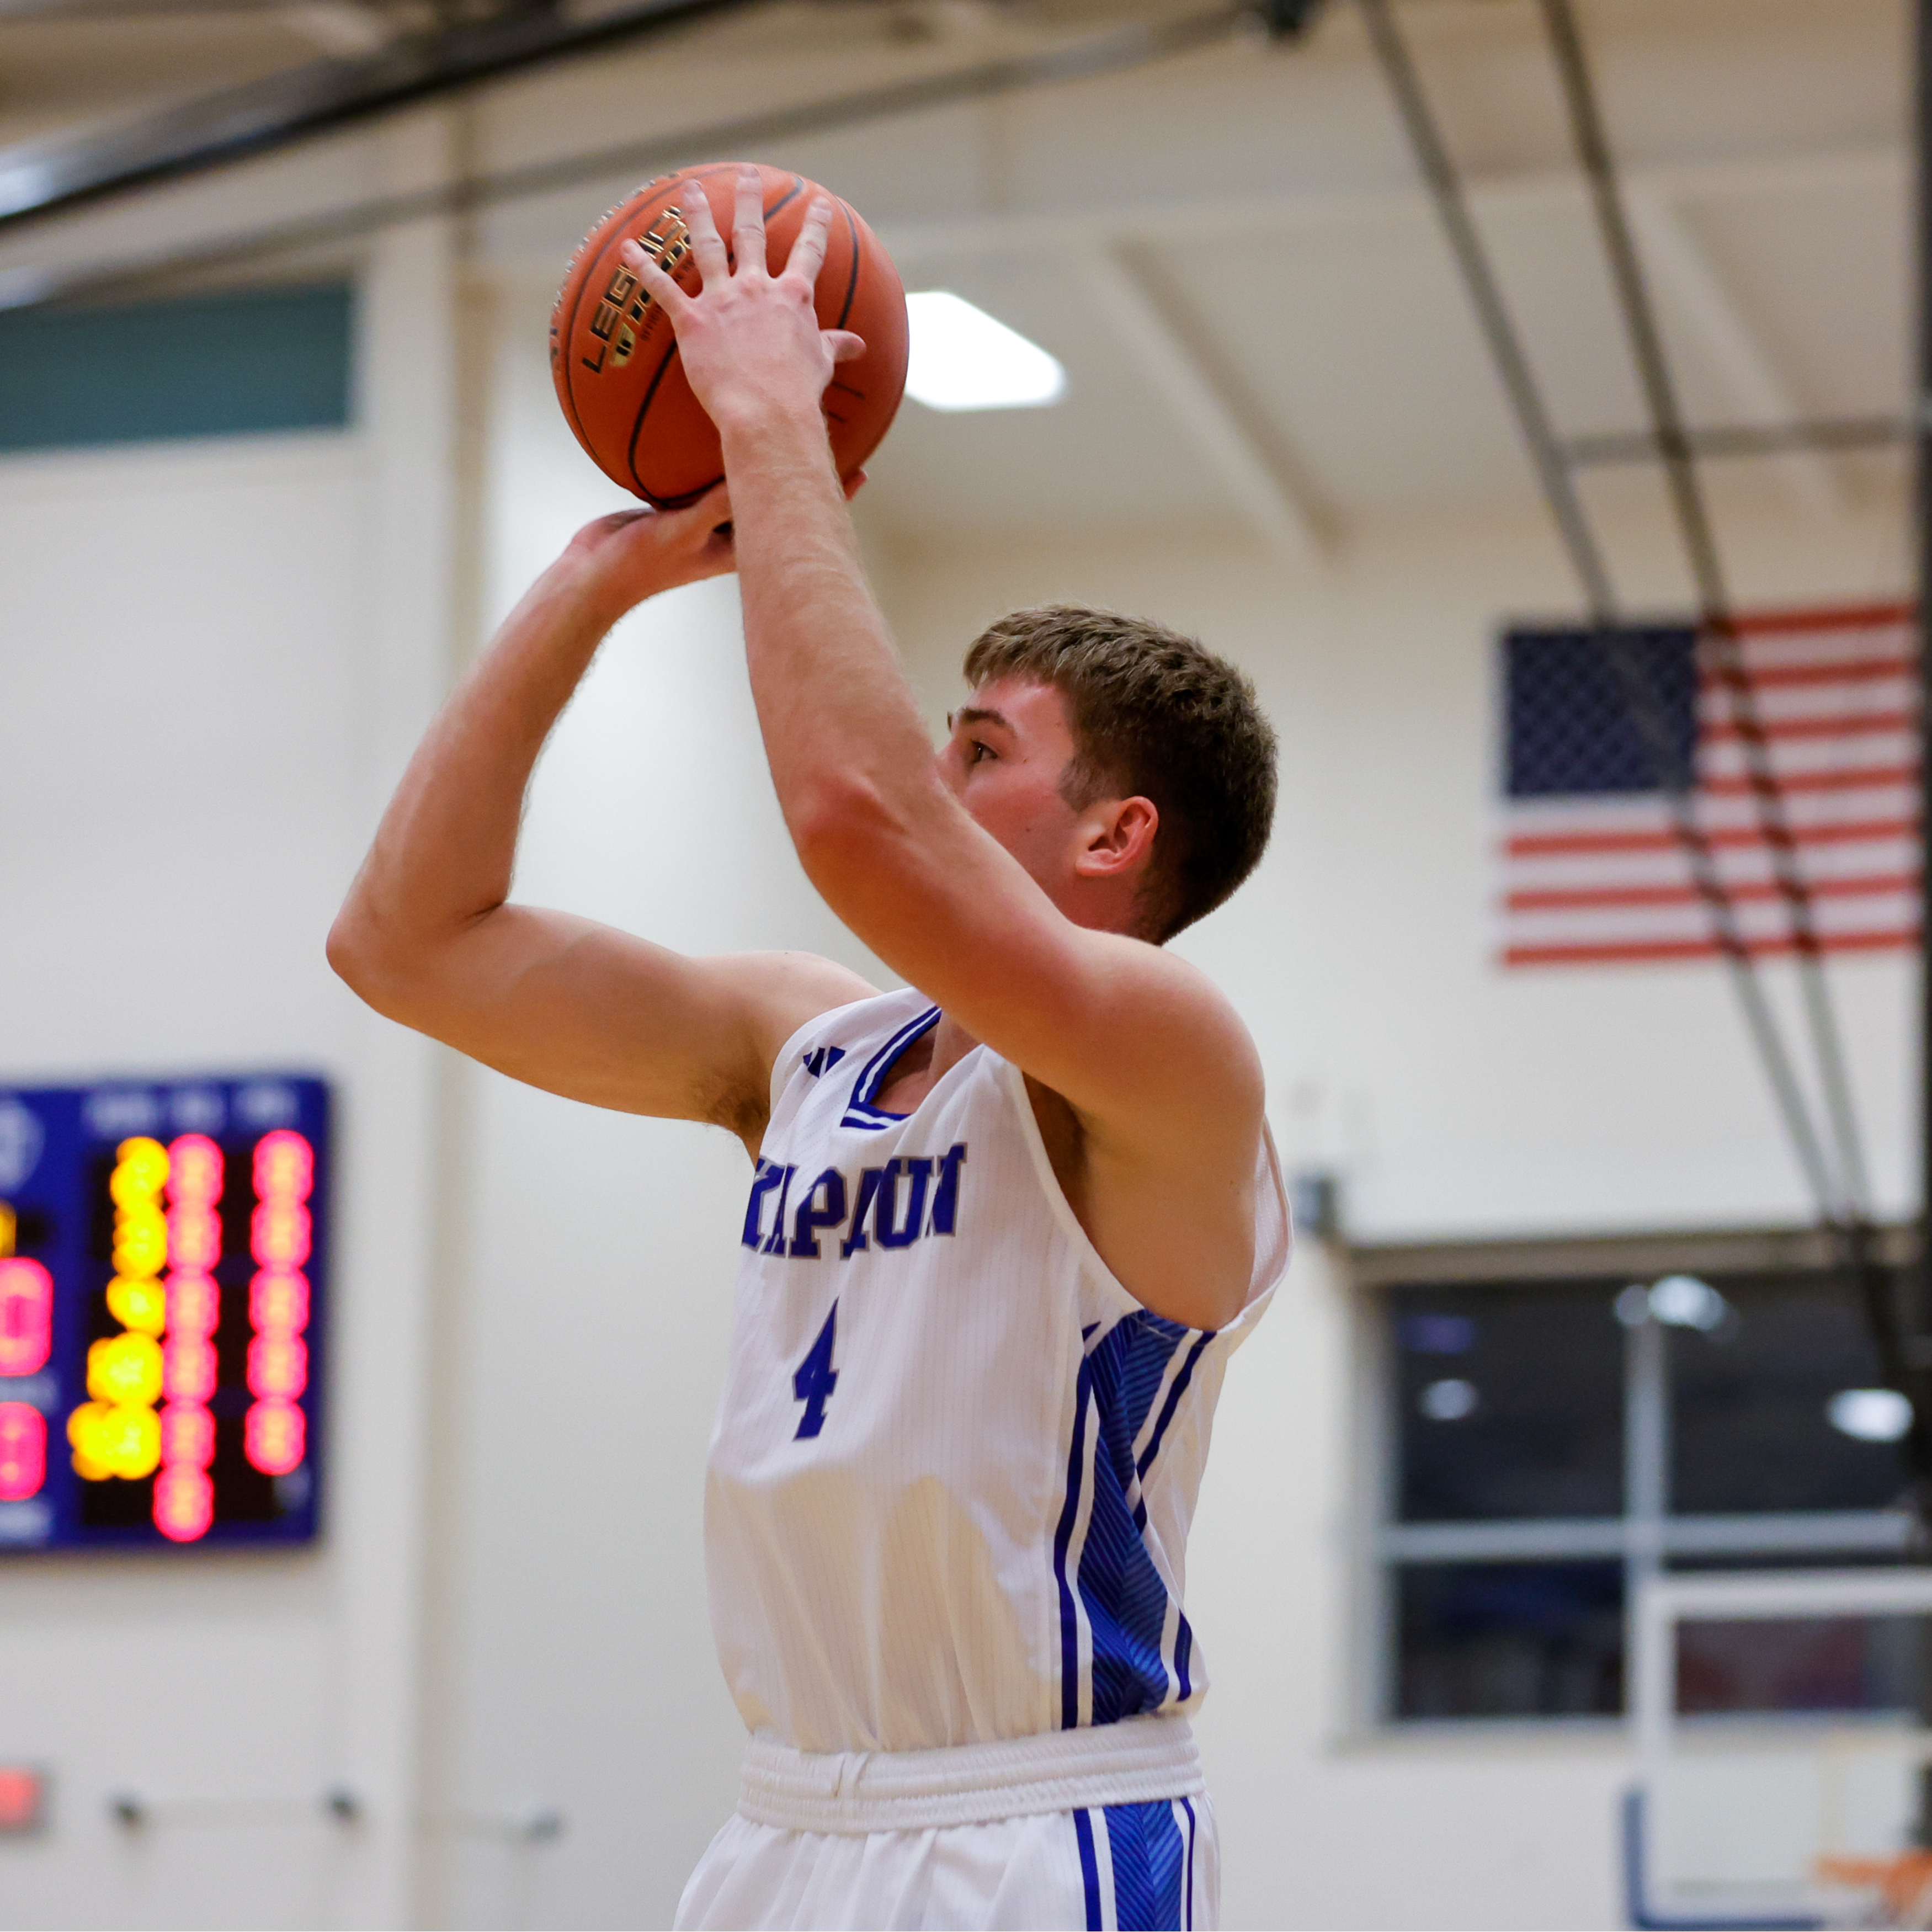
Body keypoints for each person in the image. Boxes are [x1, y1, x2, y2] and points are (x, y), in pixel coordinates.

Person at [328, 169, 1287, 1932]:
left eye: (984, 748)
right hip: (780, 1828)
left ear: (1113, 837)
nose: (935, 769)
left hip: (1032, 1825)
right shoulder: (807, 1046)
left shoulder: (1167, 1057)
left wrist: (771, 420)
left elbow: (851, 817)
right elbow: (406, 944)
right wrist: (589, 583)